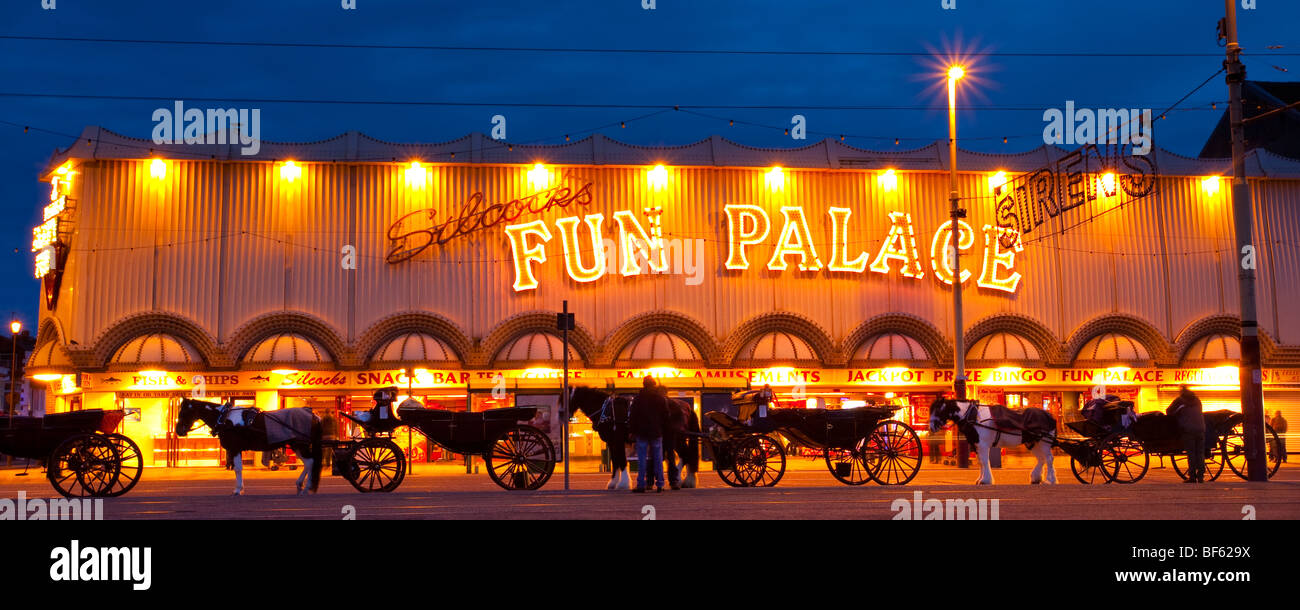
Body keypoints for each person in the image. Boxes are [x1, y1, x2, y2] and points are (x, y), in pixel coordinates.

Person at [628, 375, 668, 493]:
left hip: (642, 432)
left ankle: (641, 484)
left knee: (642, 459)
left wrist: (632, 431)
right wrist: (662, 428)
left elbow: (633, 416)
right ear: (654, 384)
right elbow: (665, 415)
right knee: (658, 458)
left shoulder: (638, 399)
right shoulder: (660, 398)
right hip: (656, 432)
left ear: (643, 384)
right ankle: (660, 484)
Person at [1167, 385, 1205, 482]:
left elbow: (1168, 411)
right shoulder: (1197, 400)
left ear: (1182, 392)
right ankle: (1200, 476)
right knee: (1200, 453)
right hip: (1201, 429)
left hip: (1188, 430)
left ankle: (1192, 477)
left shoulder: (1180, 400)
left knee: (1191, 453)